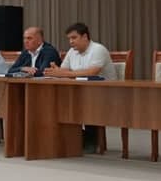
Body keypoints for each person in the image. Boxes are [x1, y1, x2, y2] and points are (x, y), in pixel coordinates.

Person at [43, 22, 117, 150]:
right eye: (69, 39)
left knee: (86, 100)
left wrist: (63, 73)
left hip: (106, 93)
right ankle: (70, 137)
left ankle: (90, 141)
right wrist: (56, 71)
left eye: (74, 38)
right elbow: (63, 71)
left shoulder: (98, 49)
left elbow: (92, 72)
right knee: (57, 100)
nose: (71, 42)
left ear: (85, 37)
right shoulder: (72, 51)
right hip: (81, 91)